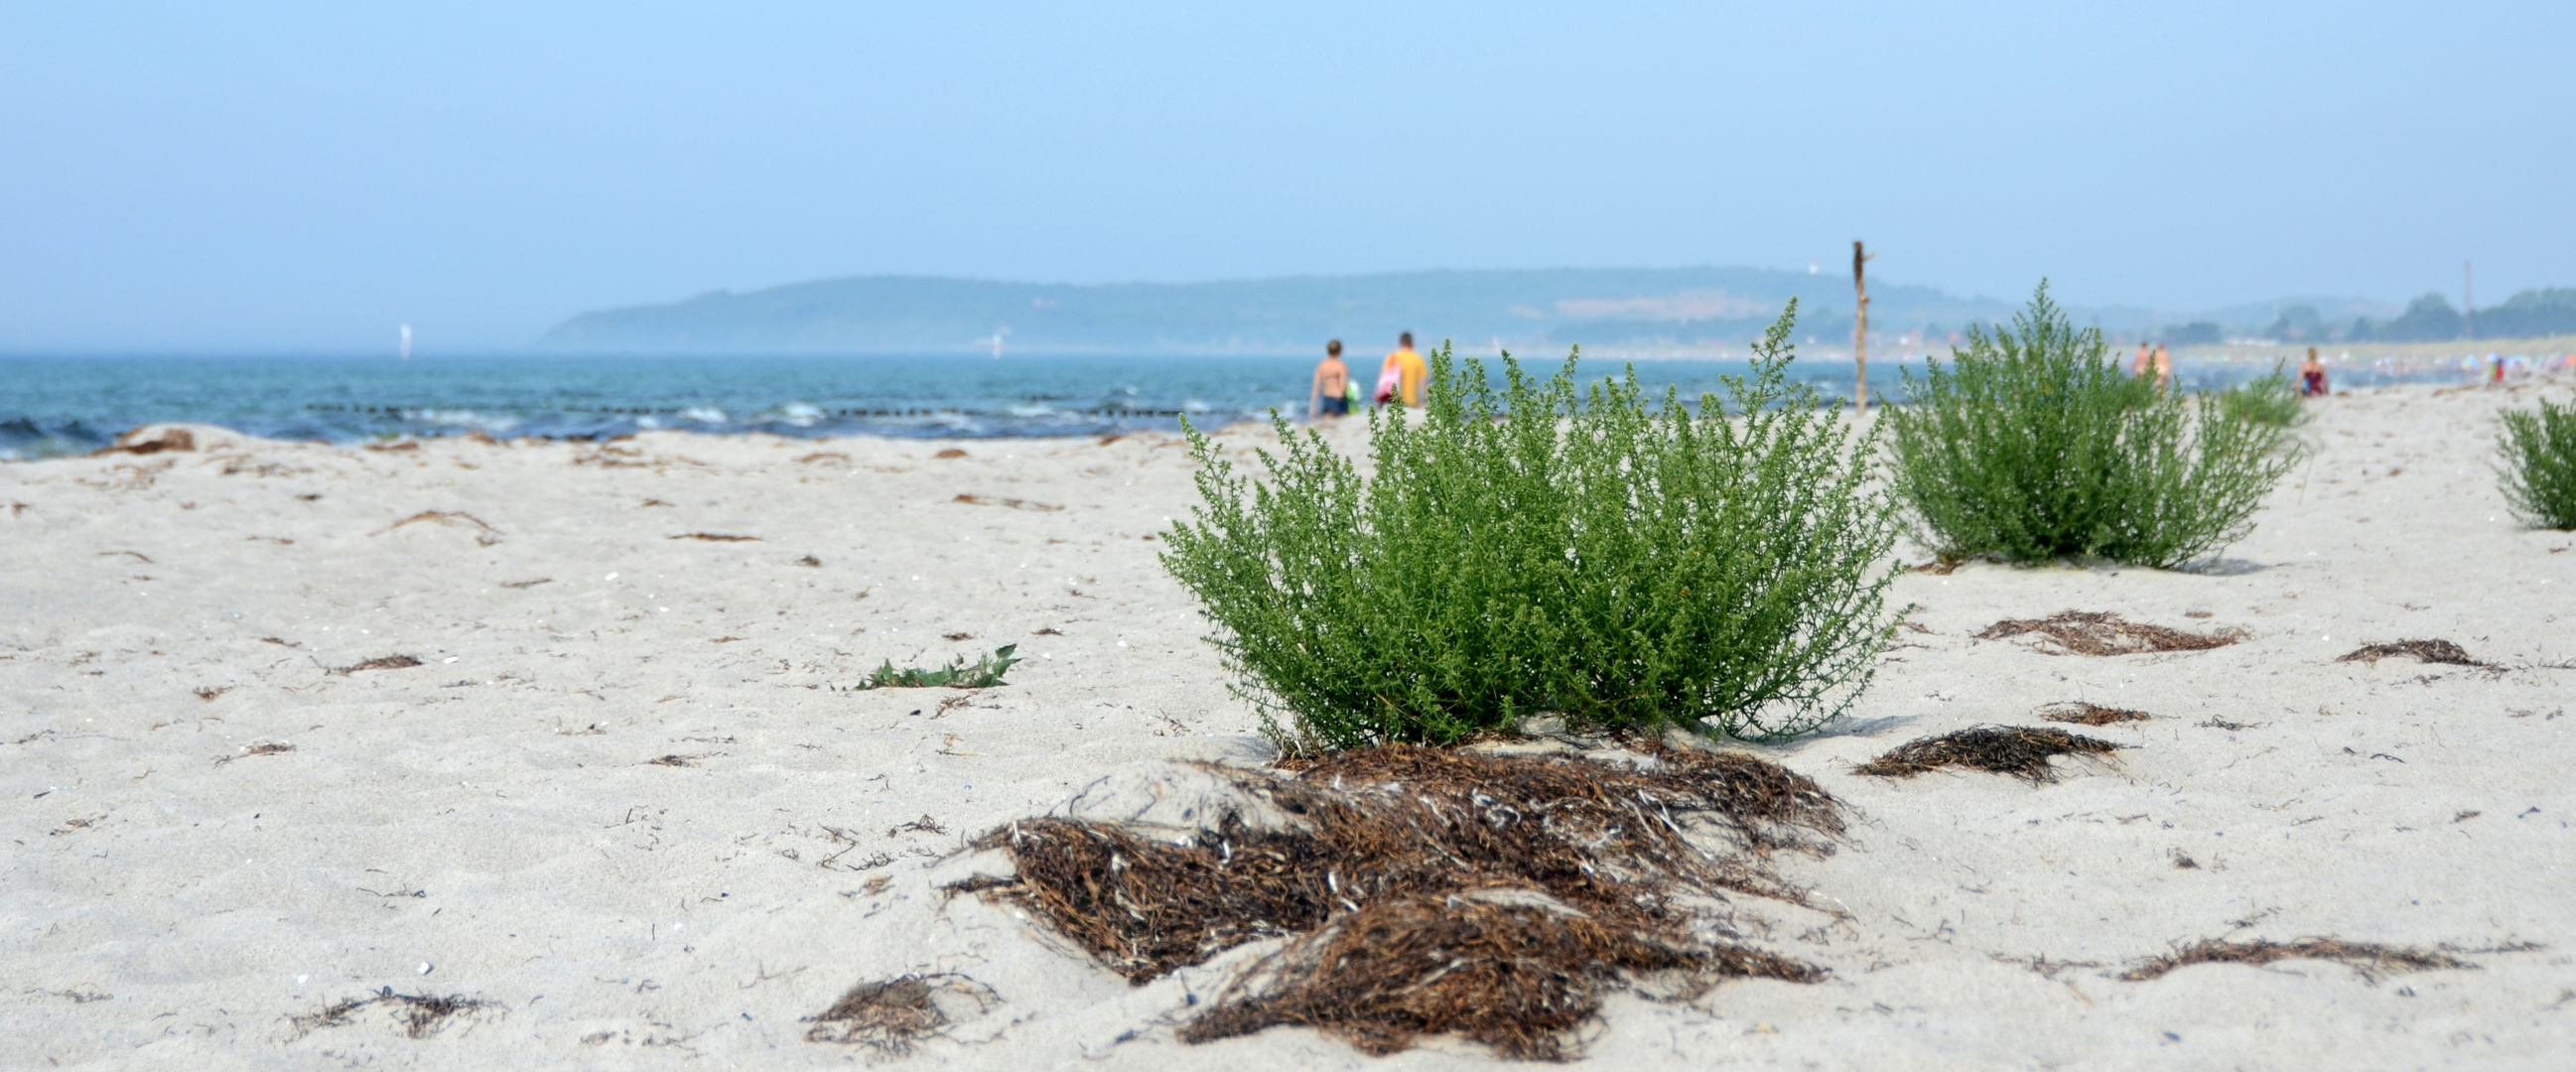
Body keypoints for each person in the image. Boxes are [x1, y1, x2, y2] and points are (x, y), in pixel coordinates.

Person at [1377, 332, 1426, 407]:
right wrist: (1423, 401)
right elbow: (1423, 382)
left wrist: (1380, 403)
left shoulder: (1392, 357)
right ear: (1412, 343)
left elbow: (1382, 379)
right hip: (1410, 401)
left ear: (1400, 342)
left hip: (1392, 400)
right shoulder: (1418, 359)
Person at [1308, 339, 1350, 420]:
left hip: (1327, 399)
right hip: (1339, 399)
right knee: (1341, 427)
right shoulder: (1341, 366)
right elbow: (1343, 388)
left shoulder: (1321, 365)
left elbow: (1316, 388)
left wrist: (1313, 407)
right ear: (1340, 350)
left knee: (1328, 429)